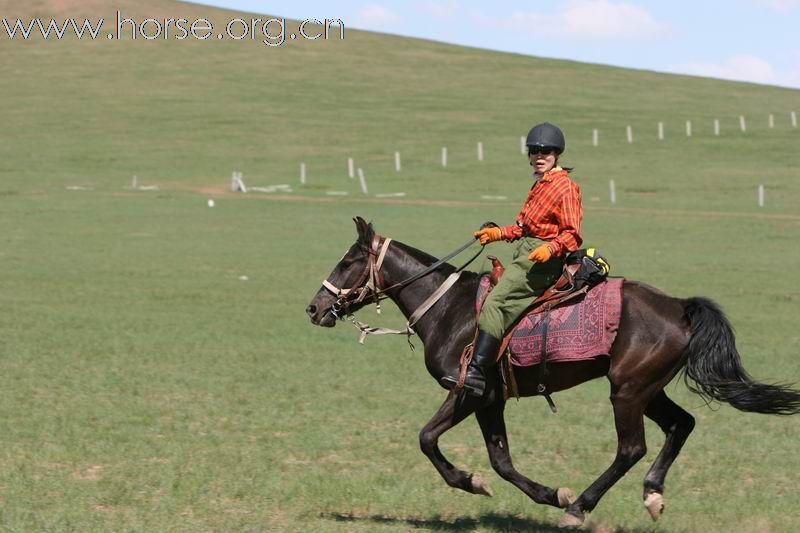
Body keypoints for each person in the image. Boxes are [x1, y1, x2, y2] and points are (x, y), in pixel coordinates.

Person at [441, 122, 583, 396]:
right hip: (526, 254)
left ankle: (477, 373)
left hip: (542, 262)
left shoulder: (566, 187)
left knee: (494, 303)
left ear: (557, 154)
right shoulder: (540, 184)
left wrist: (551, 249)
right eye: (535, 151)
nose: (540, 156)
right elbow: (523, 229)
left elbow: (572, 235)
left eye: (547, 152)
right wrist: (497, 234)